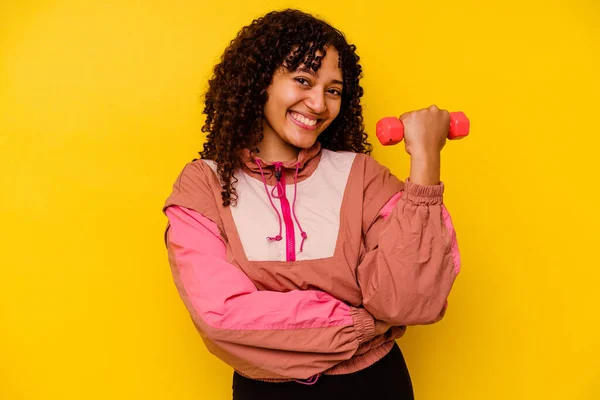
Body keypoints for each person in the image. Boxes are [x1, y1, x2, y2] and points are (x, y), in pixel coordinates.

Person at [162, 8, 461, 400]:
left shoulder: (362, 176)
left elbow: (407, 300)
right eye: (303, 80)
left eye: (333, 90)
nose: (319, 104)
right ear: (259, 83)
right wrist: (359, 325)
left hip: (374, 386)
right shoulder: (204, 184)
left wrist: (425, 161)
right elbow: (222, 317)